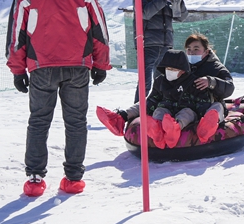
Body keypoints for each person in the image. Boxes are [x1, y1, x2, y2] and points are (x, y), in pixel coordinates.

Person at [6, 0, 112, 197]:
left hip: (41, 67)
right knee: (76, 122)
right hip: (78, 66)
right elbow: (100, 30)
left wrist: (17, 70)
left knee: (39, 120)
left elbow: (16, 35)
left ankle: (34, 179)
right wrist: (101, 64)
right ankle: (73, 178)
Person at [97, 33, 234, 142]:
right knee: (151, 101)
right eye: (189, 50)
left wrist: (211, 82)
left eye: (196, 49)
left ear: (206, 51)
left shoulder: (215, 67)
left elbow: (229, 87)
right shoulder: (182, 64)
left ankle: (207, 125)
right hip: (176, 101)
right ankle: (121, 117)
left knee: (211, 108)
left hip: (205, 102)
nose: (192, 53)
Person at [136, 0, 187, 102]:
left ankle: (159, 111)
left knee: (163, 83)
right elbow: (145, 14)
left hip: (165, 46)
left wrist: (178, 2)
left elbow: (181, 17)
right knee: (144, 84)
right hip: (148, 45)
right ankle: (136, 114)